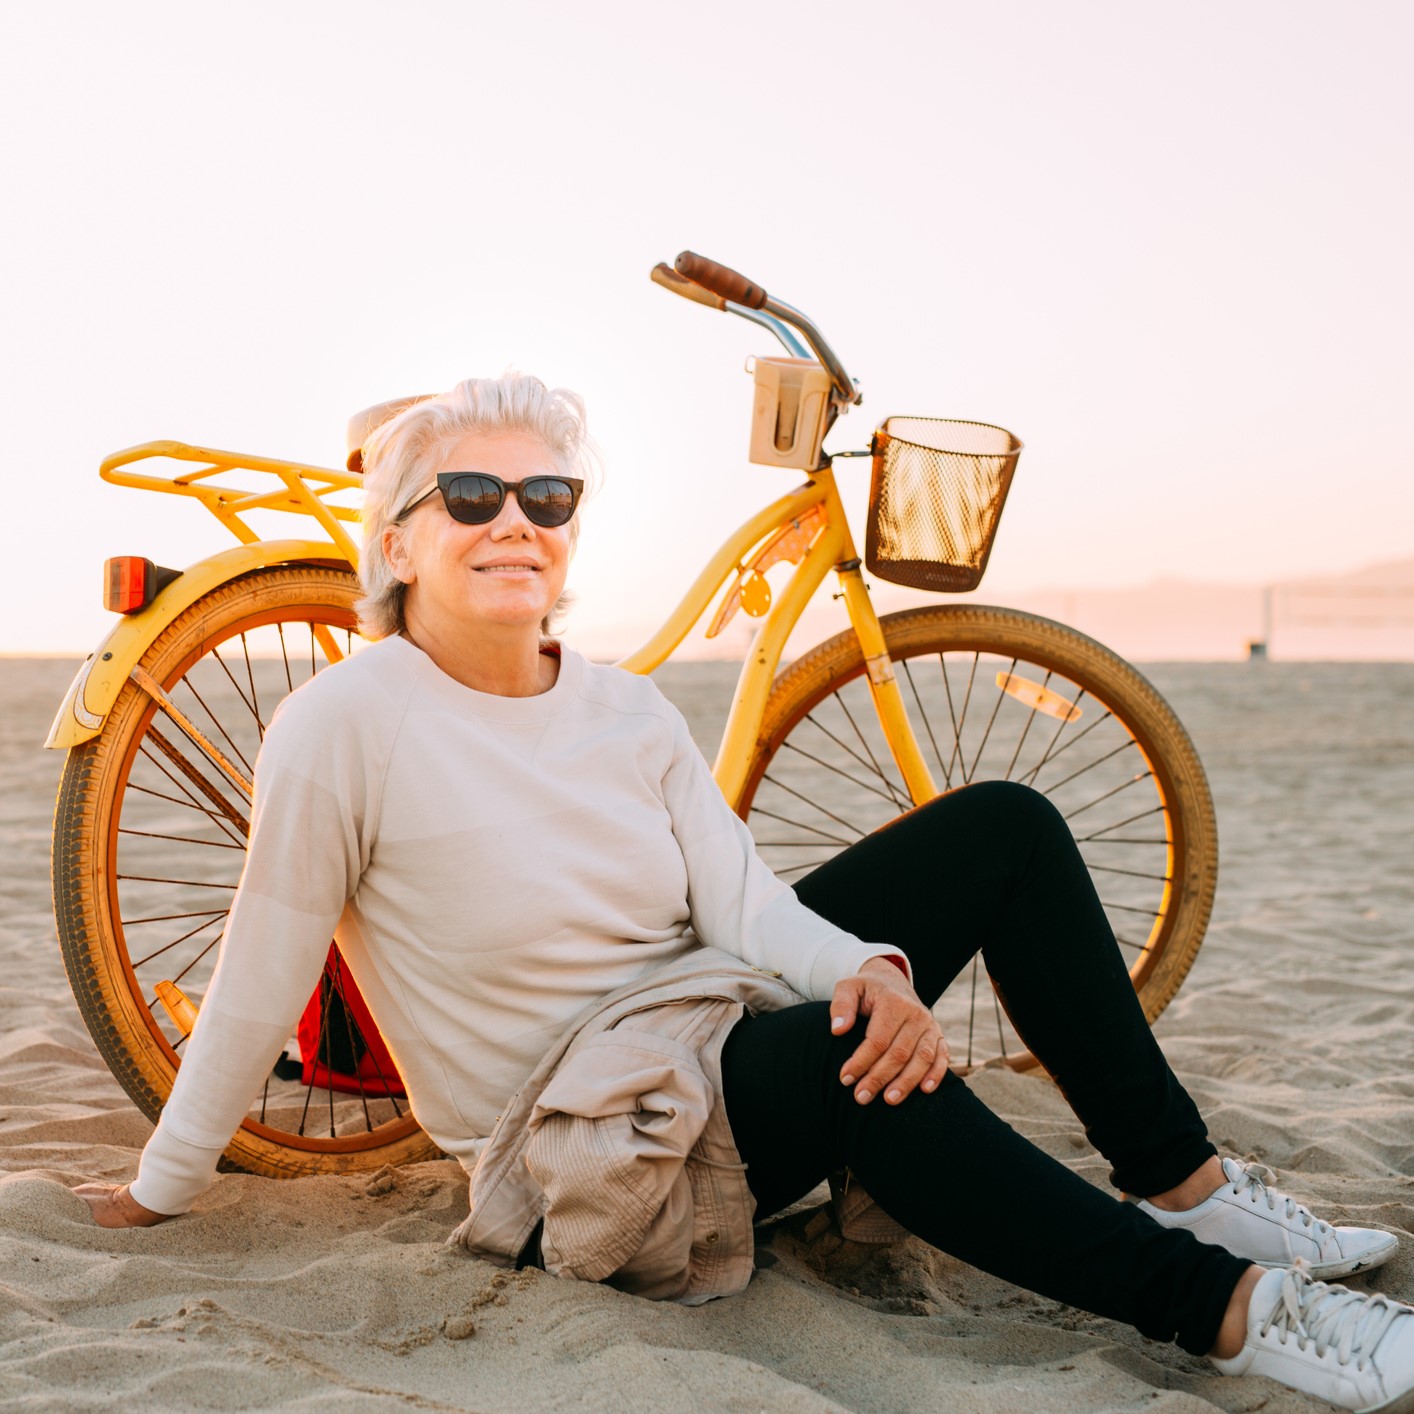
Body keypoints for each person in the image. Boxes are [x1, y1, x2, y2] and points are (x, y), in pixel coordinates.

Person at [74, 375, 1414, 1411]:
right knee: (848, 1060)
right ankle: (1227, 1308)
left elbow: (744, 907)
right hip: (584, 1141)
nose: (513, 524)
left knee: (1000, 826)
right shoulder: (342, 723)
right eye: (470, 495)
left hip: (712, 1029)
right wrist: (163, 1187)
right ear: (399, 537)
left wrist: (868, 972)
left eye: (546, 498)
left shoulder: (624, 709)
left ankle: (1184, 1183)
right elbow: (258, 969)